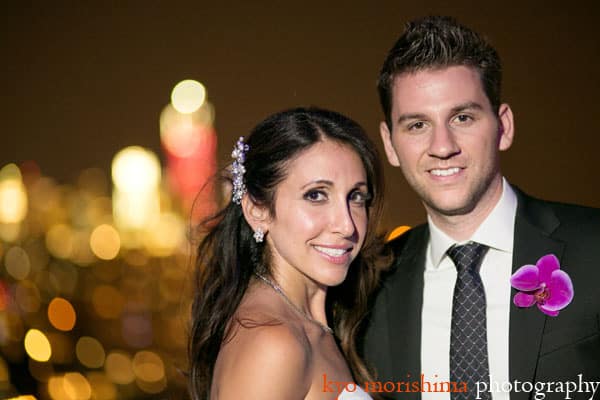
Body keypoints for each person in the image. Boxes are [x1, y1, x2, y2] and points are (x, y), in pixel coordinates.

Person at [362, 16, 600, 400]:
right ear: (390, 144)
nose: (442, 146)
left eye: (462, 117)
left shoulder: (594, 247)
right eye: (417, 125)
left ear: (503, 126)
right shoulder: (368, 286)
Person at [188, 107, 385, 399]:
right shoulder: (273, 344)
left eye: (356, 197)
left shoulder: (316, 324)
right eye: (316, 195)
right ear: (258, 210)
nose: (346, 225)